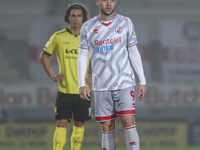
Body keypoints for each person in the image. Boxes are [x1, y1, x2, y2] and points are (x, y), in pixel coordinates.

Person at [77, 0, 146, 150]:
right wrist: (81, 83)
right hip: (101, 85)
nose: (109, 3)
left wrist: (142, 80)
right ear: (97, 2)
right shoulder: (88, 27)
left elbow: (133, 51)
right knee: (107, 126)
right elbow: (82, 56)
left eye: (112, 0)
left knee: (128, 121)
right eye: (105, 0)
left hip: (124, 82)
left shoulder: (125, 22)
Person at [39, 3, 92, 150]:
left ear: (83, 18)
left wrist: (94, 75)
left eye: (79, 16)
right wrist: (53, 76)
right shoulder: (58, 37)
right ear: (68, 18)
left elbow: (101, 59)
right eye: (73, 15)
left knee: (79, 123)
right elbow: (43, 56)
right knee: (61, 123)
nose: (75, 19)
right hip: (65, 90)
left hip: (83, 92)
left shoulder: (89, 38)